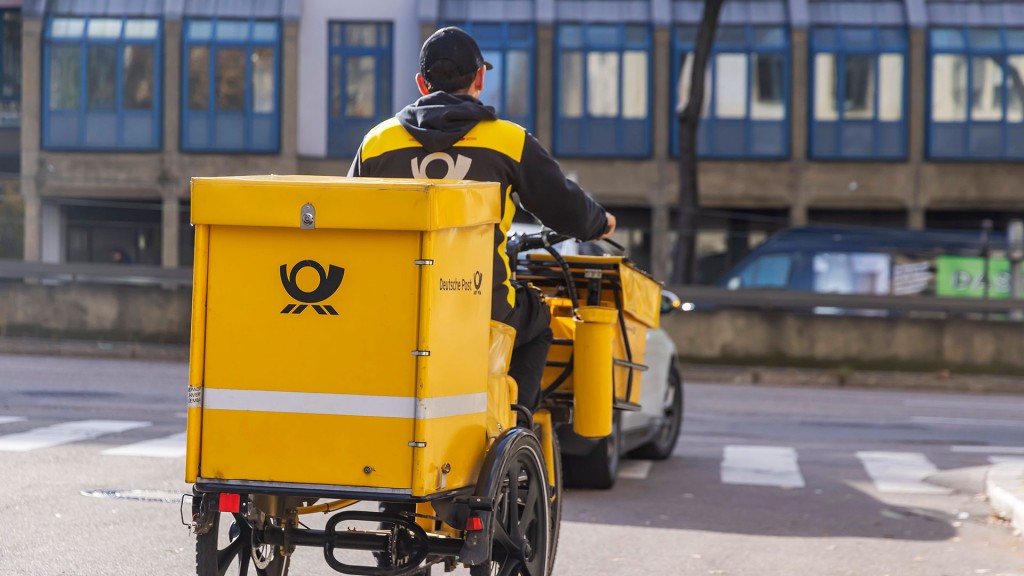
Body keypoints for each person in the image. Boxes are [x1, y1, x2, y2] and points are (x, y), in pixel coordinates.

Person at [349, 26, 616, 413]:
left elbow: (346, 222)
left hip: (393, 309)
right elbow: (568, 208)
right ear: (480, 78)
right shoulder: (507, 141)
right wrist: (600, 223)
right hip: (482, 308)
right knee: (538, 318)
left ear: (422, 84)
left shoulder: (377, 142)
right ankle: (516, 421)